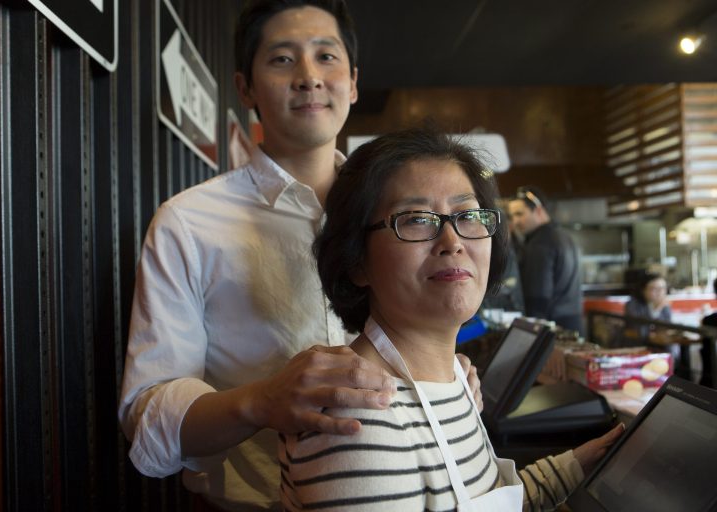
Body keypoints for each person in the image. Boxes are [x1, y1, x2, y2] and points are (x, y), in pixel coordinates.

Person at [117, 2, 481, 510]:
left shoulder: (398, 210)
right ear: (245, 88)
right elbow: (148, 417)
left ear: (353, 83)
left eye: (326, 56)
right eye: (283, 60)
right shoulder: (187, 221)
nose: (309, 77)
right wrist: (261, 401)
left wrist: (444, 370)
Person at [280, 127, 624, 511]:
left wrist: (581, 465)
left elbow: (487, 497)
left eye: (468, 215)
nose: (453, 241)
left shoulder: (458, 380)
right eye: (415, 219)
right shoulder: (359, 418)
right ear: (357, 260)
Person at [507, 186, 583, 333]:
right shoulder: (565, 236)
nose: (515, 221)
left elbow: (538, 299)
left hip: (553, 330)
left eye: (519, 214)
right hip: (574, 324)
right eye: (512, 216)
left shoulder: (540, 244)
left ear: (539, 210)